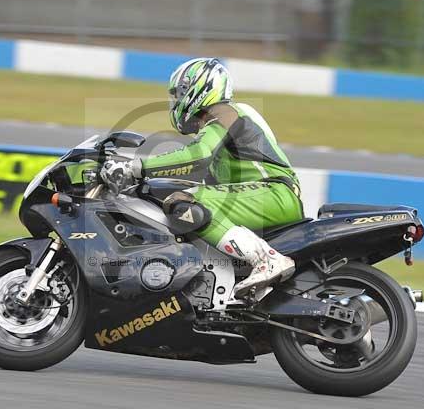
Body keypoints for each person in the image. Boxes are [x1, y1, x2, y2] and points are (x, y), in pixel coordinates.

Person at [101, 57, 303, 299]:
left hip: (274, 192)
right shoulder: (220, 127)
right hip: (267, 195)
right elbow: (194, 170)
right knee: (185, 205)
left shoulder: (225, 112)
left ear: (202, 87)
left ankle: (266, 260)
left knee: (184, 202)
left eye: (180, 93)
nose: (176, 101)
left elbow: (197, 155)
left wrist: (135, 167)